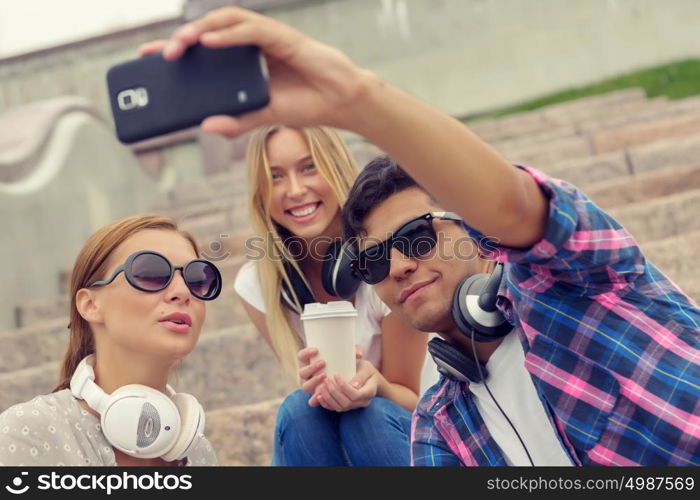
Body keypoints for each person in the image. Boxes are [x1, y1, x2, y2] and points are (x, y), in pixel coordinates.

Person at [142, 6, 700, 466]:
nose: (398, 268)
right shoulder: (440, 425)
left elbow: (513, 205)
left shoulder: (571, 288)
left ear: (473, 229)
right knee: (301, 410)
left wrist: (357, 99)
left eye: (415, 237)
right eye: (374, 262)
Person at [230, 124, 429, 466]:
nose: (294, 190)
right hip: (331, 440)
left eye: (309, 167)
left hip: (401, 429)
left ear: (335, 167)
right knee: (299, 410)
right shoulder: (257, 285)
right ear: (261, 193)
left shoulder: (387, 262)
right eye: (275, 176)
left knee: (366, 417)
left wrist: (375, 384)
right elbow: (314, 405)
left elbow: (413, 399)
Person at [0, 215, 221, 466]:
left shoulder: (197, 453)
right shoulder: (26, 434)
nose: (183, 292)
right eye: (151, 273)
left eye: (197, 280)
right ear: (90, 304)